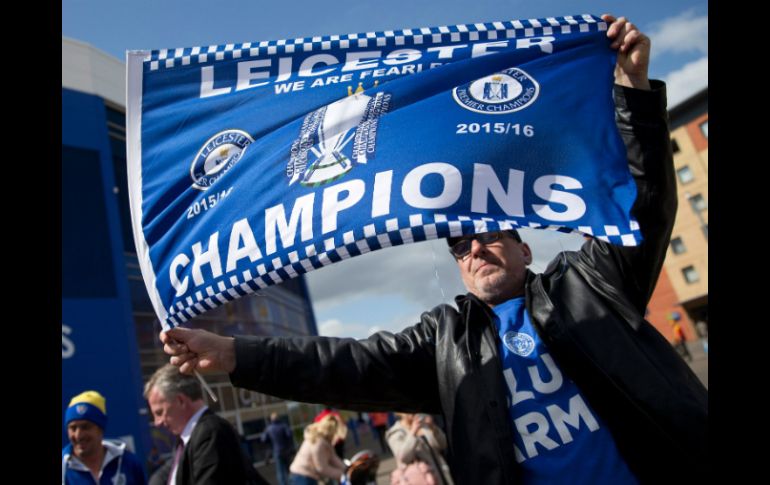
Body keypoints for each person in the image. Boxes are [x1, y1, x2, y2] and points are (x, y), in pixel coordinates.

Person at [160, 15, 708, 484]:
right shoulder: (445, 342)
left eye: (489, 235)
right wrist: (235, 355)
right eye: (460, 245)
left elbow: (643, 203)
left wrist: (632, 90)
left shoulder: (588, 285)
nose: (474, 249)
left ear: (522, 247)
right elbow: (343, 364)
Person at [144, 364, 267, 485]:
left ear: (181, 401)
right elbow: (166, 473)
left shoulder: (209, 433)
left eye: (159, 413)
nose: (157, 422)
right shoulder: (188, 440)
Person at [62, 390, 147, 485]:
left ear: (100, 429)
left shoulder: (128, 463)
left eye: (85, 427)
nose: (78, 435)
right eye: (73, 428)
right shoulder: (63, 468)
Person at [386, 413, 453, 485]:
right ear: (399, 413)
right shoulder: (395, 432)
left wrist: (433, 428)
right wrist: (413, 432)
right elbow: (403, 456)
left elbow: (443, 444)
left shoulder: (423, 424)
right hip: (418, 479)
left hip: (438, 475)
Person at [288, 415, 346, 485]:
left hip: (303, 476)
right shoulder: (318, 443)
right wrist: (342, 474)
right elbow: (322, 468)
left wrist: (347, 469)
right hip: (303, 477)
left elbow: (333, 458)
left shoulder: (324, 441)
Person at [261, 412, 295, 485]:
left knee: (280, 471)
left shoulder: (269, 428)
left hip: (277, 452)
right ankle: (292, 483)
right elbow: (289, 434)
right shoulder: (283, 426)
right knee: (288, 469)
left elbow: (263, 439)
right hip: (286, 451)